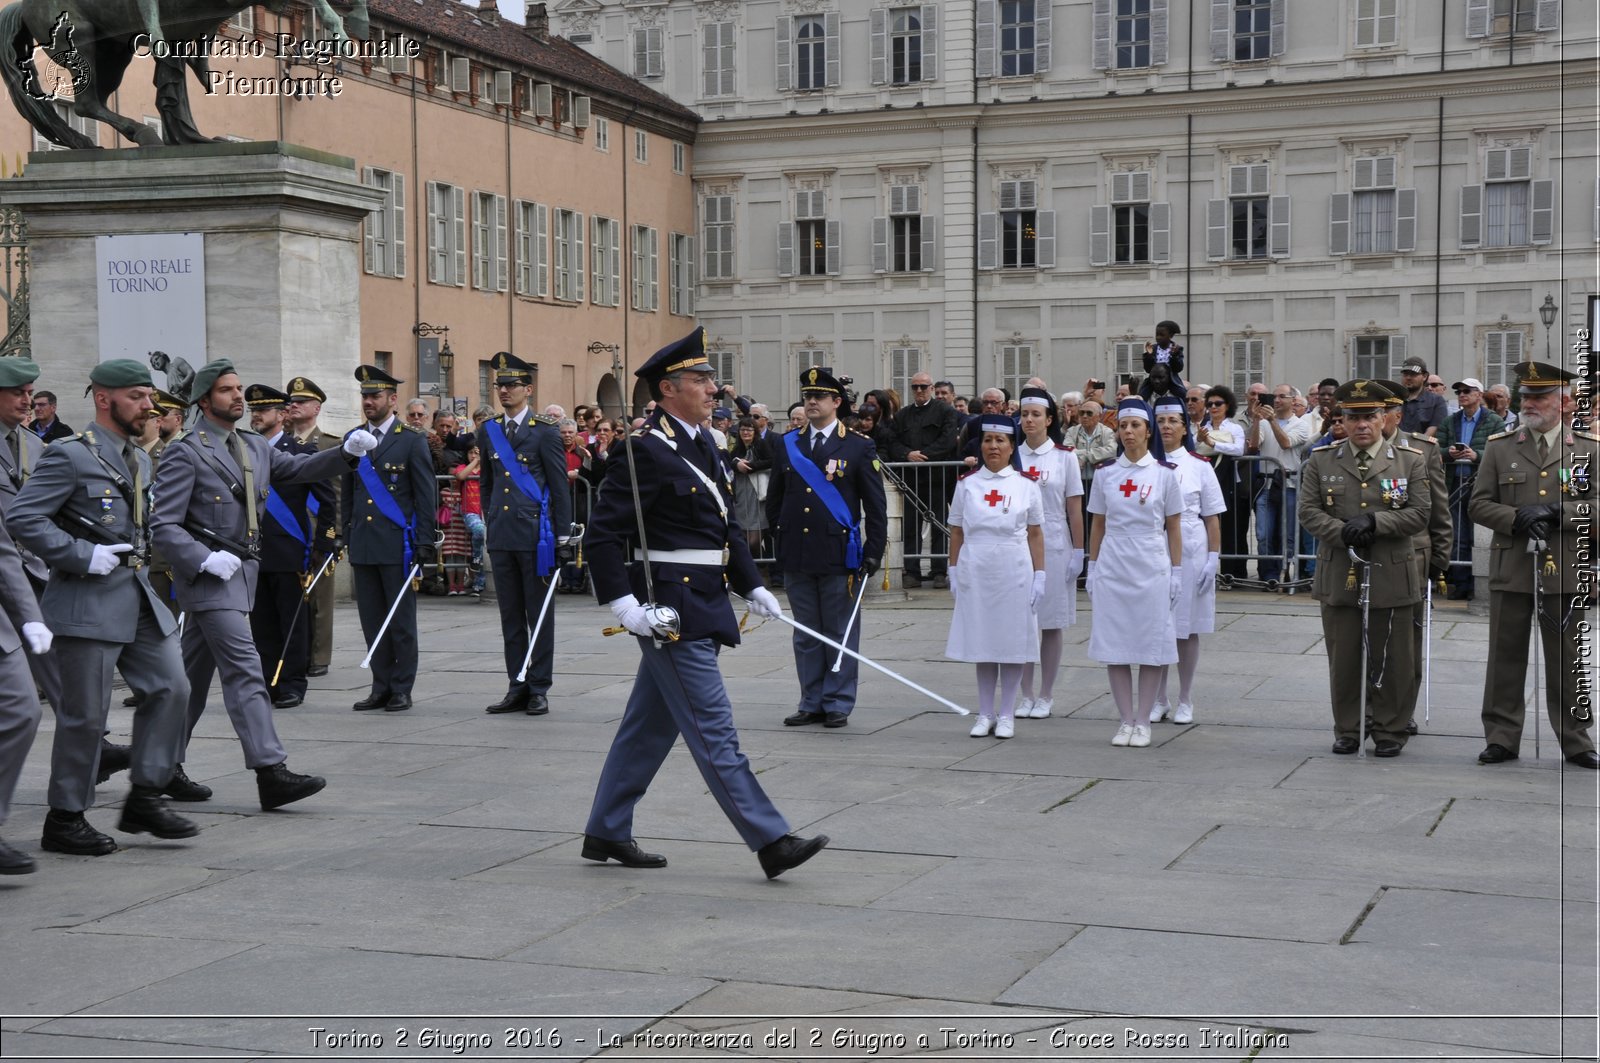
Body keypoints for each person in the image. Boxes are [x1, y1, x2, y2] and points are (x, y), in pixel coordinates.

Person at [582, 327, 827, 879]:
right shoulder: (642, 450)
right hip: (668, 613)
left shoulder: (703, 443)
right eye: (701, 380)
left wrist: (754, 584)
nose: (713, 389)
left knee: (648, 727)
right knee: (714, 729)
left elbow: (725, 529)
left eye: (710, 379)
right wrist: (625, 607)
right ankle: (771, 840)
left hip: (705, 602)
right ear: (669, 390)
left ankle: (606, 829)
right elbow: (600, 536)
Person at [153, 363, 367, 809]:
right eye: (226, 390)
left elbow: (301, 468)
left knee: (189, 679)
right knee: (247, 672)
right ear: (202, 400)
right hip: (212, 579)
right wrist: (204, 559)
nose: (238, 397)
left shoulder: (252, 445)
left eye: (237, 389)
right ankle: (270, 771)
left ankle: (160, 767)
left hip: (243, 576)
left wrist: (347, 452)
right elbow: (164, 525)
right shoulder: (186, 451)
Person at [10, 359, 199, 856]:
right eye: (137, 396)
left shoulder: (137, 457)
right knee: (86, 716)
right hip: (86, 601)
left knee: (172, 688)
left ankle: (145, 795)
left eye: (148, 396)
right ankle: (66, 817)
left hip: (136, 595)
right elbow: (25, 518)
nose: (149, 405)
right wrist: (79, 554)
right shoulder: (71, 455)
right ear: (103, 399)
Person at [1469, 361, 1598, 770]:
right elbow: (1478, 503)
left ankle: (1576, 740)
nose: (1529, 403)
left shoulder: (1588, 449)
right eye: (1526, 396)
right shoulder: (1500, 446)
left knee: (1568, 660)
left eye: (1539, 396)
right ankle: (1501, 737)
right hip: (1513, 567)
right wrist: (1513, 518)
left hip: (1565, 568)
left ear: (1564, 402)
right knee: (1505, 657)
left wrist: (1561, 512)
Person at [1297, 380, 1431, 757]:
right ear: (1341, 418)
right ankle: (1349, 728)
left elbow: (1420, 514)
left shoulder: (1409, 460)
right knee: (1345, 657)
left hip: (1392, 569)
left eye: (1369, 416)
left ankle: (1390, 728)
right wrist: (1343, 532)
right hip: (1341, 569)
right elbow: (1308, 512)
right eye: (1353, 417)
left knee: (1394, 657)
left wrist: (1376, 523)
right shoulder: (1322, 460)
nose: (1361, 425)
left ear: (1383, 417)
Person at [766, 367, 887, 729]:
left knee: (839, 630)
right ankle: (811, 699)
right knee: (806, 633)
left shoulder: (858, 445)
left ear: (837, 402)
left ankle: (837, 700)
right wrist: (781, 538)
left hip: (839, 553)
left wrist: (873, 552)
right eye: (807, 396)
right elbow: (775, 499)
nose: (812, 402)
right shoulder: (788, 443)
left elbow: (875, 506)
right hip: (798, 552)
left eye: (819, 396)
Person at [1085, 397, 1183, 748]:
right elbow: (1098, 523)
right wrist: (1092, 566)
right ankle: (1125, 719)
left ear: (1147, 430)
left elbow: (1174, 526)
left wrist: (1177, 570)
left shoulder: (1164, 475)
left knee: (1151, 642)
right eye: (1123, 426)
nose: (1128, 432)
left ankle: (1144, 720)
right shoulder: (1107, 474)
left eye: (1135, 426)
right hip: (1115, 560)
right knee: (1116, 643)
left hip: (1151, 560)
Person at [479, 352, 572, 718]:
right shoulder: (488, 431)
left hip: (537, 536)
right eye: (499, 385)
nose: (503, 391)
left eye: (511, 385)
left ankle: (538, 687)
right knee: (510, 617)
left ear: (528, 389)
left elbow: (559, 487)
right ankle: (516, 684)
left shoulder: (545, 431)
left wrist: (563, 537)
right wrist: (490, 521)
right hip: (503, 536)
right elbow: (487, 485)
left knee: (539, 614)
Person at [344, 365, 436, 713]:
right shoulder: (353, 438)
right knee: (372, 619)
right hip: (365, 542)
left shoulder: (410, 440)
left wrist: (425, 541)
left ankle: (402, 687)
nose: (368, 402)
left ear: (392, 400)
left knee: (400, 620)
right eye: (365, 396)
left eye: (375, 396)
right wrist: (345, 534)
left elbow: (425, 495)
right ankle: (380, 685)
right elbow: (349, 493)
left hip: (399, 544)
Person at [945, 415, 1044, 739]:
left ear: (1011, 445)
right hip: (977, 564)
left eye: (1000, 440)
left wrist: (1040, 574)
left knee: (1012, 642)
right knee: (983, 641)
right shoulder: (967, 484)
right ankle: (985, 712)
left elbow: (1035, 534)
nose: (993, 446)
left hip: (1013, 567)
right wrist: (954, 568)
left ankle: (1007, 713)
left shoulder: (1026, 485)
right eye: (988, 440)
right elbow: (957, 530)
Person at [244, 385, 335, 710]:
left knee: (293, 623)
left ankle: (293, 683)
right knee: (262, 625)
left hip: (290, 552)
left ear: (282, 415)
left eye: (264, 409)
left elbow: (328, 502)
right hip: (255, 553)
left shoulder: (300, 452)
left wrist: (323, 544)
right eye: (253, 409)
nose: (256, 415)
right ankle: (269, 681)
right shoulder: (244, 453)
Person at [1149, 396, 1225, 725]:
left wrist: (1213, 557)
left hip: (1192, 549)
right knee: (1156, 626)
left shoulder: (1199, 466)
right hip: (1152, 550)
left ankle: (1185, 697)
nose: (1166, 427)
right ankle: (1158, 697)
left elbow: (1211, 517)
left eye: (1172, 422)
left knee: (1186, 628)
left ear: (1184, 428)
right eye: (1161, 421)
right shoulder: (1144, 464)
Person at [1013, 387, 1083, 719]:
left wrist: (1079, 551)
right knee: (1022, 620)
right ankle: (1024, 692)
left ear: (1049, 419)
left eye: (1035, 414)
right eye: (1025, 414)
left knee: (1051, 623)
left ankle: (1046, 693)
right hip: (1018, 542)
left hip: (1055, 540)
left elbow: (1074, 508)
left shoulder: (1064, 456)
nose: (1029, 420)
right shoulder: (1012, 455)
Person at [284, 377, 341, 679]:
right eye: (291, 401)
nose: (293, 405)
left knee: (320, 596)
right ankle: (296, 651)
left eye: (301, 401)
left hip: (319, 529)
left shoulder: (331, 444)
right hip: (289, 529)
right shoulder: (280, 443)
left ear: (316, 408)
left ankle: (319, 655)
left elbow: (339, 493)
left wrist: (335, 535)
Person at [887, 372, 960, 589]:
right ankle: (912, 570)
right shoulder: (902, 415)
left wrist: (924, 456)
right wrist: (907, 455)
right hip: (911, 481)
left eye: (923, 387)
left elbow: (947, 441)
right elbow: (892, 442)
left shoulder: (946, 411)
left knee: (939, 525)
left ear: (930, 388)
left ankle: (939, 571)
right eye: (915, 387)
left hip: (937, 478)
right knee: (911, 526)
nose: (919, 391)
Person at [1437, 377, 1504, 600]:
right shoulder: (1450, 421)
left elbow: (1502, 451)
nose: (1462, 395)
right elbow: (1438, 449)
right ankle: (1462, 583)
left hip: (1481, 484)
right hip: (1455, 482)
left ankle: (1480, 584)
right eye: (1459, 392)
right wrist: (1450, 453)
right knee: (1458, 535)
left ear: (1479, 395)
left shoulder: (1493, 420)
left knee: (1480, 536)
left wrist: (1477, 456)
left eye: (1467, 391)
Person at [1246, 383, 1312, 584]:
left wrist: (1272, 420)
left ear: (1293, 400)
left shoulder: (1301, 424)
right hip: (1266, 485)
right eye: (1274, 396)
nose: (1276, 400)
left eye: (1282, 396)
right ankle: (1269, 574)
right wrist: (1257, 421)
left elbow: (1285, 443)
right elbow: (1254, 447)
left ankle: (1285, 569)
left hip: (1289, 485)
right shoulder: (1265, 422)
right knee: (1264, 533)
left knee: (1288, 534)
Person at [729, 415, 771, 566]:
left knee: (754, 541)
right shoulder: (738, 448)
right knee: (744, 538)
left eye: (749, 429)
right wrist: (737, 465)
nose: (745, 433)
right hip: (741, 495)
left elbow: (771, 461)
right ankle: (753, 568)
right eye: (742, 429)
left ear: (755, 431)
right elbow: (729, 461)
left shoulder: (761, 444)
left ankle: (761, 564)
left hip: (757, 495)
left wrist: (751, 467)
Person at [452, 444, 486, 598]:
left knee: (485, 547)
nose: (474, 455)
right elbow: (460, 476)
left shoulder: (487, 468)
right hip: (470, 512)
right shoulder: (462, 467)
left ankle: (479, 583)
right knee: (478, 530)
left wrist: (482, 460)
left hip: (487, 512)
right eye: (471, 452)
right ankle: (476, 558)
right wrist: (475, 461)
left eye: (476, 452)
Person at [1398, 356, 1448, 439]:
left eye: (1413, 374)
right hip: (1396, 448)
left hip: (1424, 449)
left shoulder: (1436, 401)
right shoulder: (1394, 400)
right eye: (1405, 374)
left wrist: (1414, 446)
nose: (1408, 377)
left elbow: (1434, 428)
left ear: (1424, 376)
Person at [1138, 320, 1186, 402]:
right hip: (1154, 379)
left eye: (1162, 335)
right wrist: (1149, 355)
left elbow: (1178, 368)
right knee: (1142, 395)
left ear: (1170, 335)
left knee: (1183, 394)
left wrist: (1174, 355)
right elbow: (1148, 369)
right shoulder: (1153, 348)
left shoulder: (1176, 349)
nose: (1158, 338)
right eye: (1157, 335)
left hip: (1170, 379)